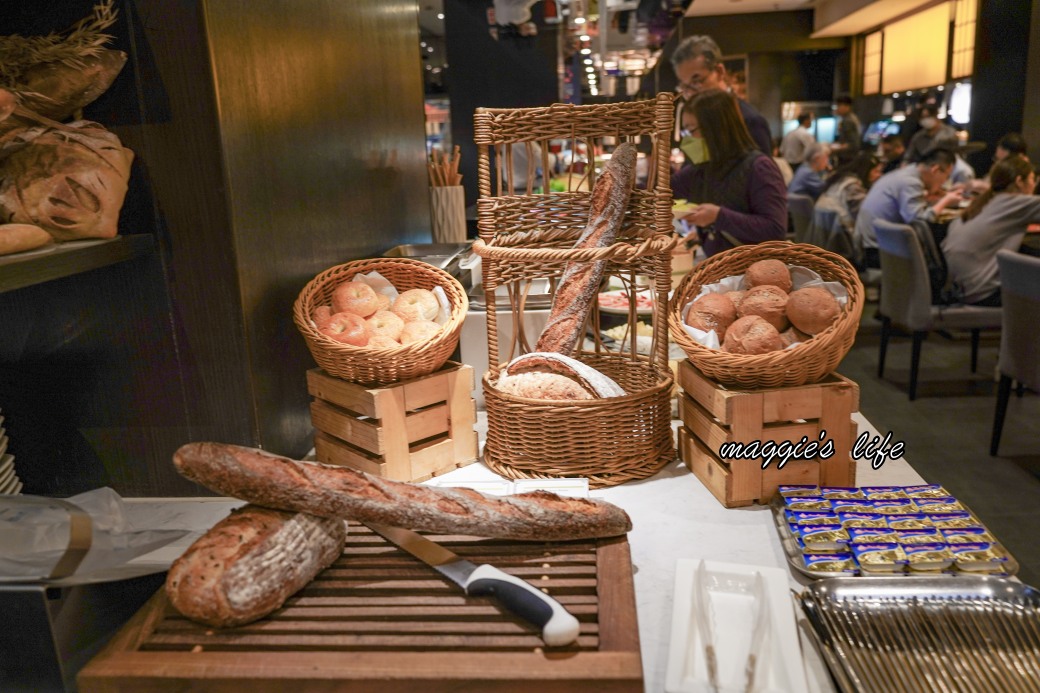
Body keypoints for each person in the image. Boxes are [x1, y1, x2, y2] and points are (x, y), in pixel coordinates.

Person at [671, 89, 787, 257]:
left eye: (691, 130)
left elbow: (775, 229)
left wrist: (719, 216)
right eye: (685, 132)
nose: (687, 139)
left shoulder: (759, 168)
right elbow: (662, 189)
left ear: (715, 129)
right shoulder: (702, 169)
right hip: (720, 270)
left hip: (754, 270)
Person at [942, 155, 1040, 306]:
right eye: (1033, 180)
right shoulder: (1016, 202)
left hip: (957, 288)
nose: (1034, 186)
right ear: (1020, 182)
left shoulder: (986, 201)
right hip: (982, 293)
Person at [854, 147, 964, 269]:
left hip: (870, 244)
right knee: (940, 253)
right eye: (946, 177)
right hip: (877, 252)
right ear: (936, 170)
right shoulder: (910, 182)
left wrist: (932, 198)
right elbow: (920, 221)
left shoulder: (905, 173)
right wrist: (946, 200)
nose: (944, 182)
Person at [670, 35, 773, 155]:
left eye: (696, 81)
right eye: (685, 87)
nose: (691, 93)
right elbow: (693, 167)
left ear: (719, 72)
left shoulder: (749, 120)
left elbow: (762, 170)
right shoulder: (694, 120)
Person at [816, 151, 883, 235]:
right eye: (876, 171)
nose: (879, 175)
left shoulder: (840, 178)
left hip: (826, 232)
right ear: (866, 170)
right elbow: (864, 217)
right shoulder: (852, 187)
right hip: (842, 236)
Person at [832, 96, 861, 164]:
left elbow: (853, 144)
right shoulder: (851, 118)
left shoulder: (848, 121)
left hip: (848, 158)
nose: (837, 109)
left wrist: (835, 148)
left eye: (839, 106)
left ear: (847, 107)